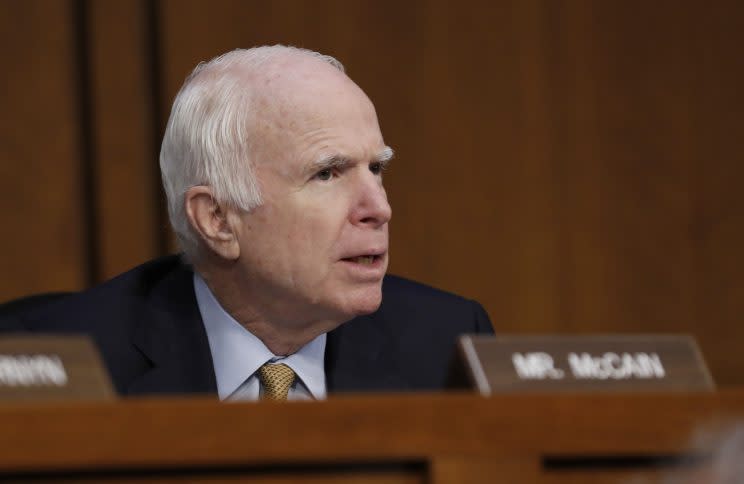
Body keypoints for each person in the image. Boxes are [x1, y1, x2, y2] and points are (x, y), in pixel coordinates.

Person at [2, 46, 493, 400]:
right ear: (217, 220)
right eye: (326, 173)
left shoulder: (446, 343)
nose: (378, 208)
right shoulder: (54, 363)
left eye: (376, 168)